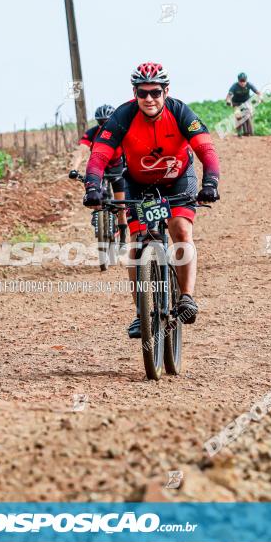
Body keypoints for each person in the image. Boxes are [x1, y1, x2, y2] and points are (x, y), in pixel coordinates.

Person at [82, 62, 221, 338]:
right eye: (142, 93)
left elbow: (205, 148)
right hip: (138, 184)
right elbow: (99, 153)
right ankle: (141, 313)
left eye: (155, 92)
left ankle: (186, 297)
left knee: (181, 229)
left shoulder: (181, 112)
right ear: (134, 93)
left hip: (178, 179)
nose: (149, 99)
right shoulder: (123, 115)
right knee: (135, 246)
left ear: (165, 91)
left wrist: (211, 182)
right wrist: (92, 186)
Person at [69, 104, 128, 240]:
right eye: (101, 122)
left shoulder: (120, 131)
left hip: (117, 167)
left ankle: (123, 237)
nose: (104, 125)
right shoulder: (92, 133)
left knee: (121, 206)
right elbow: (82, 150)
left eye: (107, 122)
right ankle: (99, 217)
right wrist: (74, 168)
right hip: (99, 168)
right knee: (95, 195)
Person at [225, 72, 261, 136]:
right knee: (238, 116)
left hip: (246, 102)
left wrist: (260, 98)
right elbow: (229, 95)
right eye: (241, 81)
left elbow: (258, 92)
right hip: (236, 103)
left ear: (246, 80)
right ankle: (239, 132)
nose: (242, 83)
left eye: (244, 81)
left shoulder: (249, 84)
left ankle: (250, 132)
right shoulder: (234, 86)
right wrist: (228, 101)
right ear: (238, 80)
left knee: (249, 114)